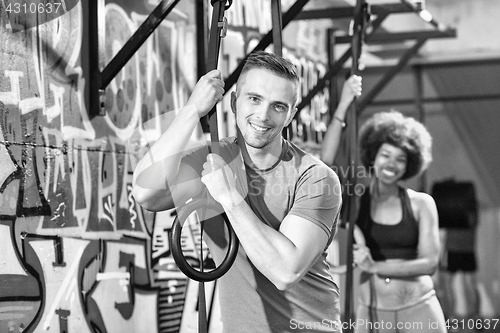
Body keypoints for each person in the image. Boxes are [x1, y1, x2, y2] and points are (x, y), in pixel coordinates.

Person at [132, 51, 344, 333]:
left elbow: (286, 271)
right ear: (234, 102)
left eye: (278, 106)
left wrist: (229, 196)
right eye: (254, 99)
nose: (263, 115)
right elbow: (146, 193)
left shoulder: (316, 177)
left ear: (291, 115)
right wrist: (192, 109)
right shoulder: (210, 162)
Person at [322, 107, 447, 332]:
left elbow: (430, 263)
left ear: (410, 164)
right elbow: (326, 161)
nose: (392, 164)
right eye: (385, 155)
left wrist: (374, 266)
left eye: (400, 159)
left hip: (419, 308)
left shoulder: (422, 203)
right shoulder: (356, 201)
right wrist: (343, 105)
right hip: (371, 312)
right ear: (373, 156)